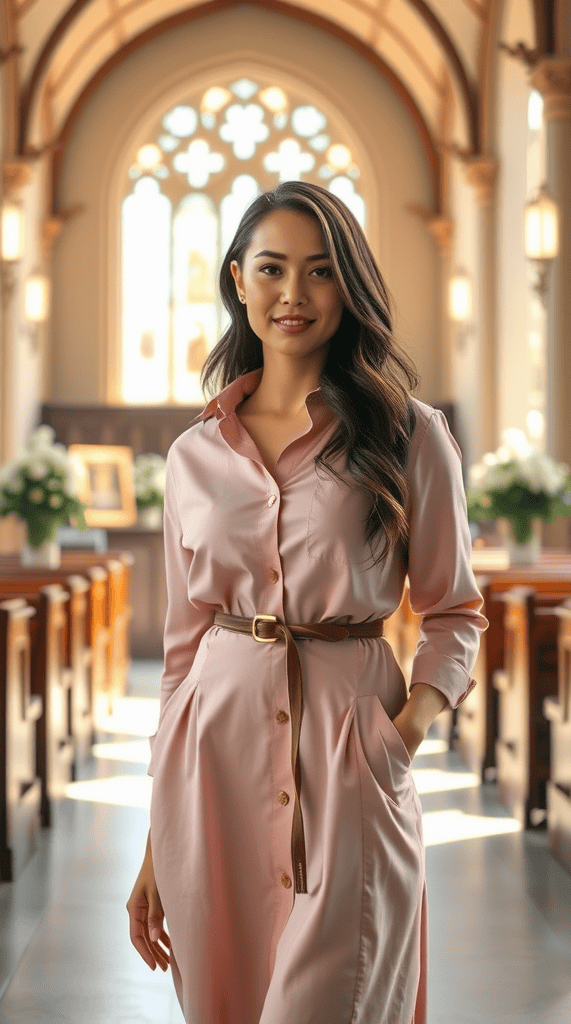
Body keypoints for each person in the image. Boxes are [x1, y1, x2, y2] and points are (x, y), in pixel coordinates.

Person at [126, 180, 489, 1023]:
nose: (294, 294)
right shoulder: (191, 455)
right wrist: (157, 837)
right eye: (273, 269)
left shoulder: (410, 433)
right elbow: (181, 655)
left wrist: (401, 739)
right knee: (227, 1003)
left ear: (349, 286)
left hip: (350, 752)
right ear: (238, 280)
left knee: (336, 1000)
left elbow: (454, 612)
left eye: (321, 272)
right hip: (209, 771)